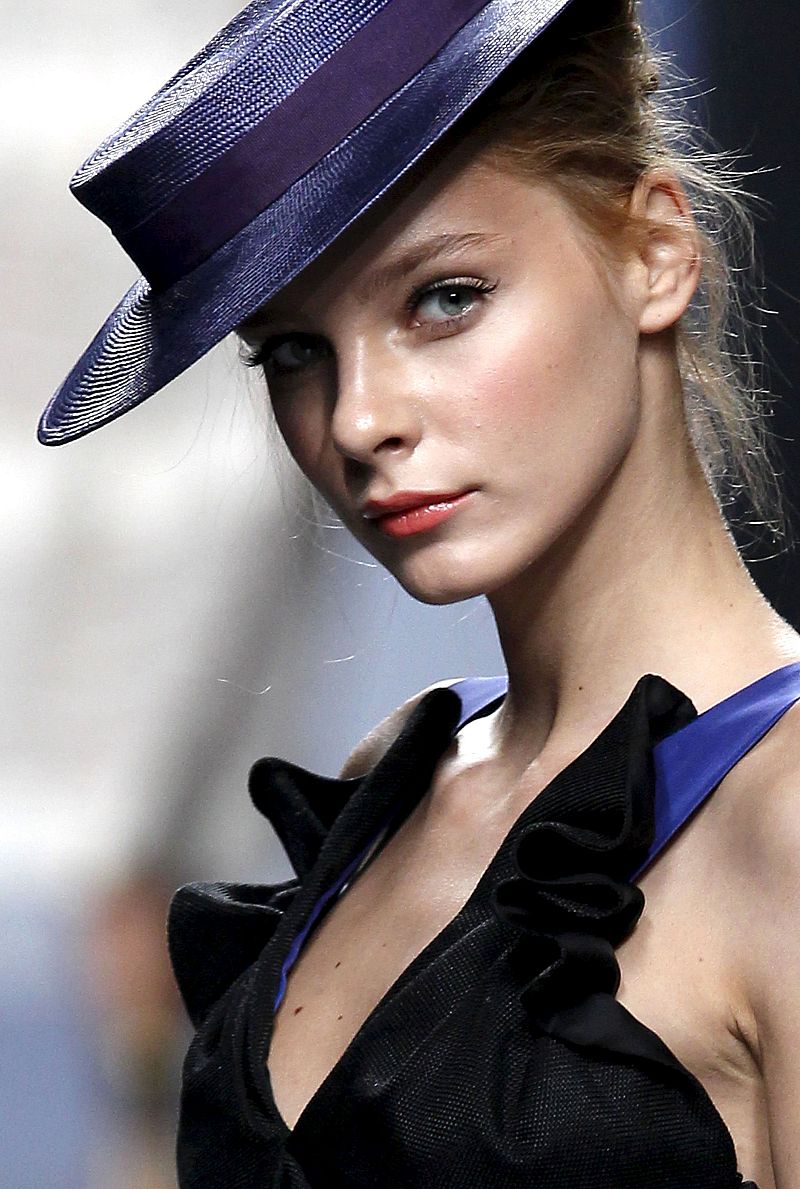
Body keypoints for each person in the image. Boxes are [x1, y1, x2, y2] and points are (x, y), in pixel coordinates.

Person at [39, 0, 800, 1185]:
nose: (355, 420)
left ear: (655, 250)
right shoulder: (389, 786)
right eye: (293, 349)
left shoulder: (783, 829)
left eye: (443, 297)